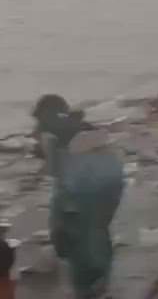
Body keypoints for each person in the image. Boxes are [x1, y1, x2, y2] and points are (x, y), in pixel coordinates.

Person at [32, 95, 124, 299]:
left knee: (72, 237)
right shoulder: (83, 126)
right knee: (98, 229)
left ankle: (85, 288)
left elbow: (59, 173)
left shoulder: (49, 133)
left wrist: (60, 221)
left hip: (84, 187)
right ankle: (102, 280)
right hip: (113, 181)